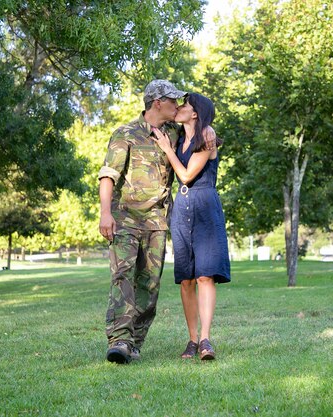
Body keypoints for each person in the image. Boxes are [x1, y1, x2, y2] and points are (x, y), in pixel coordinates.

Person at [98, 80, 215, 364]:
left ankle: (135, 342)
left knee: (149, 285)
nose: (178, 106)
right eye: (173, 101)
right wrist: (105, 213)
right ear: (158, 102)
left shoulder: (173, 134)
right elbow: (108, 174)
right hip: (125, 219)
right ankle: (120, 340)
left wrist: (208, 127)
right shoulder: (125, 133)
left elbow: (200, 133)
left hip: (158, 222)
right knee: (123, 277)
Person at [152, 93, 230, 361]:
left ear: (195, 113)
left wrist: (167, 150)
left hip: (205, 206)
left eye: (184, 105)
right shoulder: (176, 135)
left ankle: (206, 339)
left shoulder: (206, 135)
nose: (178, 108)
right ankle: (192, 340)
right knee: (186, 278)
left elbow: (185, 176)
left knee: (205, 275)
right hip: (182, 209)